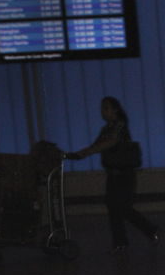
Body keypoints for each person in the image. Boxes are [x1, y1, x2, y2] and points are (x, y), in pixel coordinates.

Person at [67, 96, 158, 252]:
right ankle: (120, 242)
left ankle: (150, 230)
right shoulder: (106, 129)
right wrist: (78, 154)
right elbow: (96, 145)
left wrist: (84, 153)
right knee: (113, 208)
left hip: (124, 174)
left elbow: (109, 142)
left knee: (123, 208)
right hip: (112, 175)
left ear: (115, 109)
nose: (103, 112)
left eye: (106, 108)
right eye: (102, 108)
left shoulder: (119, 126)